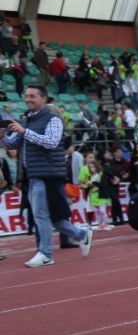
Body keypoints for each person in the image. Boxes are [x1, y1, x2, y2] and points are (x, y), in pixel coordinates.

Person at [1, 84, 93, 267]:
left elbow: (51, 142)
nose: (28, 99)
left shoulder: (53, 120)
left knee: (41, 215)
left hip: (48, 175)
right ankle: (81, 235)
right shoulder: (26, 121)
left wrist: (24, 132)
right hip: (33, 175)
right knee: (54, 217)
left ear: (43, 98)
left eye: (32, 96)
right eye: (26, 96)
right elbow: (12, 145)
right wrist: (2, 137)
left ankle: (46, 253)